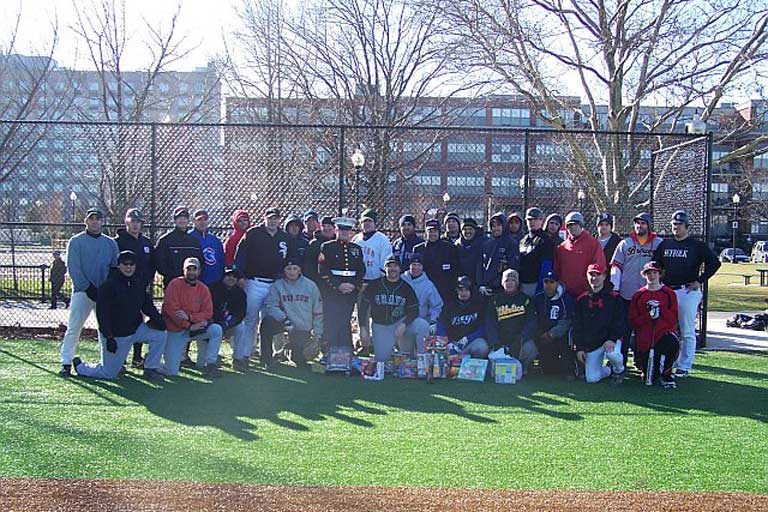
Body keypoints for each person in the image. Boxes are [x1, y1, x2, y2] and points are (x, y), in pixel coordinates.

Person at [72, 250, 167, 381]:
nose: (128, 267)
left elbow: (147, 305)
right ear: (118, 265)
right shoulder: (109, 286)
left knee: (160, 335)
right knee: (109, 373)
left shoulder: (138, 283)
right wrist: (109, 337)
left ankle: (150, 368)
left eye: (131, 264)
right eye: (125, 264)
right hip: (117, 335)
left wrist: (158, 319)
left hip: (136, 329)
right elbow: (102, 314)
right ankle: (81, 367)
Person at [652, 210, 721, 378]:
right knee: (666, 328)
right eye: (674, 224)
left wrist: (700, 280)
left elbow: (715, 263)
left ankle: (684, 365)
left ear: (687, 226)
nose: (676, 227)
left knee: (687, 330)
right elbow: (656, 264)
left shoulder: (696, 245)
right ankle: (667, 362)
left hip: (687, 291)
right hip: (668, 291)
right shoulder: (665, 244)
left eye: (679, 224)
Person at [58, 208, 119, 377]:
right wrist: (88, 288)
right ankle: (66, 362)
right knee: (74, 328)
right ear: (86, 221)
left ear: (102, 222)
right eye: (91, 218)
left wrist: (105, 290)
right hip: (82, 293)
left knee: (105, 329)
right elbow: (74, 268)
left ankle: (107, 363)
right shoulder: (75, 241)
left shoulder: (111, 243)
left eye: (98, 219)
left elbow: (115, 269)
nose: (94, 222)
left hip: (104, 295)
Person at [234, 207, 290, 365]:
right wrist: (240, 275)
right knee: (250, 319)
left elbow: (289, 259)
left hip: (275, 284)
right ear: (264, 218)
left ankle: (266, 356)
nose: (273, 221)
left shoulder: (284, 236)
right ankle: (244, 355)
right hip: (254, 282)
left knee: (269, 321)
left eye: (276, 218)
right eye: (270, 218)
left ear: (280, 220)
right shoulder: (253, 233)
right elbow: (240, 255)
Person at [610, 212, 662, 366]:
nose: (640, 226)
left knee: (645, 332)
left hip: (648, 295)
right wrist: (616, 289)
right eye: (637, 223)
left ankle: (642, 364)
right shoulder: (625, 243)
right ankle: (621, 363)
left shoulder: (658, 243)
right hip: (627, 295)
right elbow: (616, 268)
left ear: (649, 225)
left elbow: (662, 268)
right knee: (624, 332)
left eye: (643, 223)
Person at [162, 257, 223, 377]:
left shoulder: (203, 288)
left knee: (216, 329)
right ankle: (152, 361)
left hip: (195, 329)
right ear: (183, 270)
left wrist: (190, 317)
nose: (191, 272)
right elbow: (172, 310)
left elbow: (208, 312)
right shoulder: (174, 284)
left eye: (194, 269)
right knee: (171, 371)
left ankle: (210, 364)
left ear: (199, 271)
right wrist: (189, 325)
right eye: (188, 269)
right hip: (176, 330)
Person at [262, 259, 324, 367]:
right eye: (288, 269)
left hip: (302, 327)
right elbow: (271, 305)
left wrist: (318, 336)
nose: (291, 272)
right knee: (267, 323)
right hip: (286, 323)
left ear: (300, 270)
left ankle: (286, 352)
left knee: (299, 360)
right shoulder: (278, 285)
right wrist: (286, 321)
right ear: (284, 270)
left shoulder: (311, 286)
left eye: (295, 269)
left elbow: (318, 311)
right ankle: (267, 359)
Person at [359, 255, 421, 363]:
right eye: (389, 266)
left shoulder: (406, 287)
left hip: (401, 324)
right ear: (385, 268)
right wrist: (363, 328)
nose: (392, 269)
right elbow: (363, 308)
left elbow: (414, 310)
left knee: (422, 325)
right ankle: (394, 352)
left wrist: (404, 324)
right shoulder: (374, 285)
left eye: (395, 266)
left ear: (400, 268)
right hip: (381, 325)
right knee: (382, 361)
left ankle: (422, 360)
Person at [628, 261, 680, 389]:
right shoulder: (638, 295)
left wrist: (660, 309)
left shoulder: (669, 293)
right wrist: (648, 314)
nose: (652, 276)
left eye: (654, 273)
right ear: (644, 275)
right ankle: (646, 366)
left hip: (663, 334)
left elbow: (673, 319)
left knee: (673, 343)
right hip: (645, 336)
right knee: (650, 375)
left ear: (659, 274)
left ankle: (667, 373)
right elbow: (633, 320)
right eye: (648, 273)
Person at [114, 208, 156, 368]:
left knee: (140, 321)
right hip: (122, 289)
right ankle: (120, 358)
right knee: (122, 320)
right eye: (133, 221)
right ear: (126, 222)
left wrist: (145, 281)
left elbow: (153, 264)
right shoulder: (118, 242)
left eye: (138, 222)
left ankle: (137, 357)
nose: (136, 225)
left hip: (141, 289)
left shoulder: (146, 243)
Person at [318, 216, 366, 351]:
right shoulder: (327, 247)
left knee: (346, 320)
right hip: (332, 290)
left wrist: (354, 285)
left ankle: (346, 349)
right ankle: (330, 349)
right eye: (341, 230)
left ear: (351, 232)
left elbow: (361, 270)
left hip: (350, 291)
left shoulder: (356, 249)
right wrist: (338, 285)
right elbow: (323, 269)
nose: (344, 233)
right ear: (336, 231)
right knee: (332, 319)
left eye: (347, 230)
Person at [573, 264, 626, 384]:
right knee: (592, 379)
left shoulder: (615, 297)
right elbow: (577, 325)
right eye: (591, 274)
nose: (594, 278)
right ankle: (608, 370)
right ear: (587, 276)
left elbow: (620, 321)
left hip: (610, 340)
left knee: (614, 356)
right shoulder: (582, 300)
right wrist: (580, 348)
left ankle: (619, 370)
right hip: (592, 344)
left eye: (598, 274)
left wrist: (612, 339)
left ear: (604, 276)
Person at [485, 269, 537, 370]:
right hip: (499, 340)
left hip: (518, 340)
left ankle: (522, 367)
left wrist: (521, 339)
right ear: (502, 283)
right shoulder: (494, 300)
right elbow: (490, 323)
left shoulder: (526, 300)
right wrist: (495, 342)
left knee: (531, 349)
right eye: (506, 280)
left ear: (517, 283)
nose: (509, 283)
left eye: (512, 280)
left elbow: (532, 323)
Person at [533, 270, 576, 377]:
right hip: (542, 334)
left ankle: (569, 370)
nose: (548, 285)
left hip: (559, 335)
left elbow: (566, 321)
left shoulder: (565, 299)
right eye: (546, 282)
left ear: (557, 283)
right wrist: (540, 333)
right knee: (549, 370)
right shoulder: (538, 298)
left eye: (551, 282)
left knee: (565, 341)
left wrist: (551, 334)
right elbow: (533, 318)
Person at [554, 212, 606, 299]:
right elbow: (557, 269)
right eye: (569, 225)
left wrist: (593, 286)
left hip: (586, 293)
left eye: (575, 224)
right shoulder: (562, 247)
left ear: (581, 225)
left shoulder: (592, 243)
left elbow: (599, 266)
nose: (572, 227)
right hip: (566, 292)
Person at [401, 254, 443, 354]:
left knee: (423, 325)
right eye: (413, 264)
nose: (416, 268)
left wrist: (433, 320)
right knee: (405, 355)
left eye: (419, 265)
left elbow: (436, 306)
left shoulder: (428, 285)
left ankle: (423, 359)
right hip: (400, 321)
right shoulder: (401, 279)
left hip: (418, 321)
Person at [437, 276, 488, 358]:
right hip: (452, 345)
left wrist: (468, 338)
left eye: (466, 290)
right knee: (437, 346)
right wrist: (448, 343)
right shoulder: (449, 307)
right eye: (461, 290)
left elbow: (483, 327)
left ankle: (475, 369)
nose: (463, 293)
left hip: (470, 343)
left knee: (482, 346)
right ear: (457, 291)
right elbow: (441, 326)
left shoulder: (479, 305)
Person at [154, 207, 203, 289]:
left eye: (184, 218)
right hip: (172, 284)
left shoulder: (194, 241)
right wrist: (172, 275)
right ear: (175, 220)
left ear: (188, 220)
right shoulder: (165, 240)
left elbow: (200, 262)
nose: (182, 220)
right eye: (179, 218)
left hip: (191, 284)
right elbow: (159, 263)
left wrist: (192, 276)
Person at [210, 268, 248, 371]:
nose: (231, 278)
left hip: (230, 323)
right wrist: (219, 322)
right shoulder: (213, 288)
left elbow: (241, 313)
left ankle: (238, 359)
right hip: (213, 322)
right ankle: (212, 362)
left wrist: (229, 323)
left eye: (234, 277)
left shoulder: (240, 292)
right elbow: (209, 309)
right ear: (223, 276)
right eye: (228, 275)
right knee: (201, 363)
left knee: (241, 327)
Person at [414, 218, 459, 302]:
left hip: (444, 290)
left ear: (439, 232)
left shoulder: (449, 248)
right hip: (424, 289)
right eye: (430, 231)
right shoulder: (418, 249)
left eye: (435, 231)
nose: (432, 234)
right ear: (425, 233)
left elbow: (454, 270)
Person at [477, 212, 520, 297]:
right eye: (493, 226)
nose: (496, 228)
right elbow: (480, 265)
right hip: (487, 287)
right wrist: (481, 284)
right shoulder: (486, 244)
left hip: (503, 288)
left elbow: (513, 267)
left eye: (498, 225)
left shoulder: (511, 243)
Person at [519, 207, 555, 297]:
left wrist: (541, 286)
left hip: (536, 283)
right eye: (529, 219)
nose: (532, 222)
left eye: (535, 219)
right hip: (522, 283)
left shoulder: (545, 240)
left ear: (541, 220)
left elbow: (546, 266)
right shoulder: (523, 240)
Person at [351, 208, 392, 286]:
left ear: (375, 223)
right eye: (364, 221)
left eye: (370, 221)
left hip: (376, 281)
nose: (367, 223)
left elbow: (385, 262)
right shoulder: (356, 239)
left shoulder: (382, 240)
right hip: (358, 280)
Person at [304, 216, 335, 284]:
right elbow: (309, 266)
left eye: (329, 226)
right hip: (317, 280)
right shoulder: (314, 244)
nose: (326, 228)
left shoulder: (338, 243)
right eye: (324, 226)